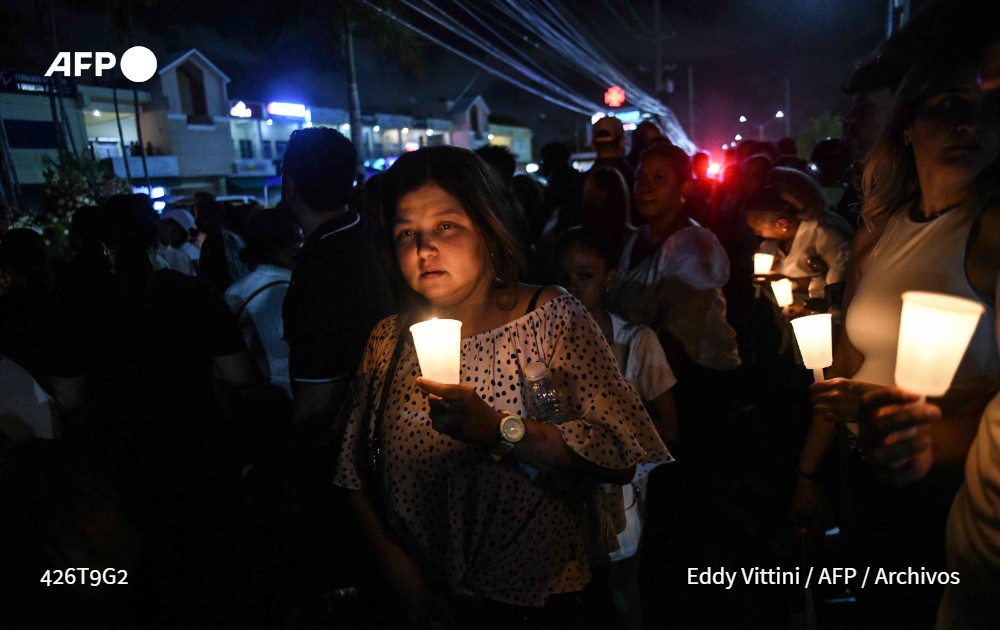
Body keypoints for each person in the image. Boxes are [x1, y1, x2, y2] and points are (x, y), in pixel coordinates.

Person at [334, 146, 670, 630]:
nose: (425, 247)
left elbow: (619, 450)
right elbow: (353, 470)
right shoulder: (388, 340)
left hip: (540, 600)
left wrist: (499, 430)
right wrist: (400, 572)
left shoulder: (550, 317)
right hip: (429, 601)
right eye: (407, 232)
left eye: (446, 225)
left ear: (488, 229)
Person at [796, 55, 1000, 628]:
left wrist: (917, 433)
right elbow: (844, 372)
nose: (971, 125)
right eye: (951, 107)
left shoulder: (989, 233)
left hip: (946, 496)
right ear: (908, 126)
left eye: (990, 111)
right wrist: (809, 474)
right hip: (861, 477)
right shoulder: (878, 233)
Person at [556, 225, 677, 630]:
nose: (571, 289)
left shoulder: (636, 342)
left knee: (622, 593)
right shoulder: (543, 343)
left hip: (622, 498)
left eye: (585, 277)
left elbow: (668, 427)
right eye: (565, 278)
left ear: (609, 278)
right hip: (563, 495)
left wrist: (616, 444)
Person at [280, 127, 395, 428]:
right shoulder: (374, 234)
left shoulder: (318, 269)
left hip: (349, 444)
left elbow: (317, 402)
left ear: (289, 187)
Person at [224, 208, 303, 398]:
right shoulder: (293, 288)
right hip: (291, 395)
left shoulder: (234, 291)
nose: (301, 248)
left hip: (247, 397)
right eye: (297, 241)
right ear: (278, 249)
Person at [744, 185, 853, 314]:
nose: (756, 233)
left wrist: (792, 284)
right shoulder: (773, 244)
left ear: (781, 224)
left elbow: (839, 286)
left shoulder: (825, 235)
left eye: (758, 228)